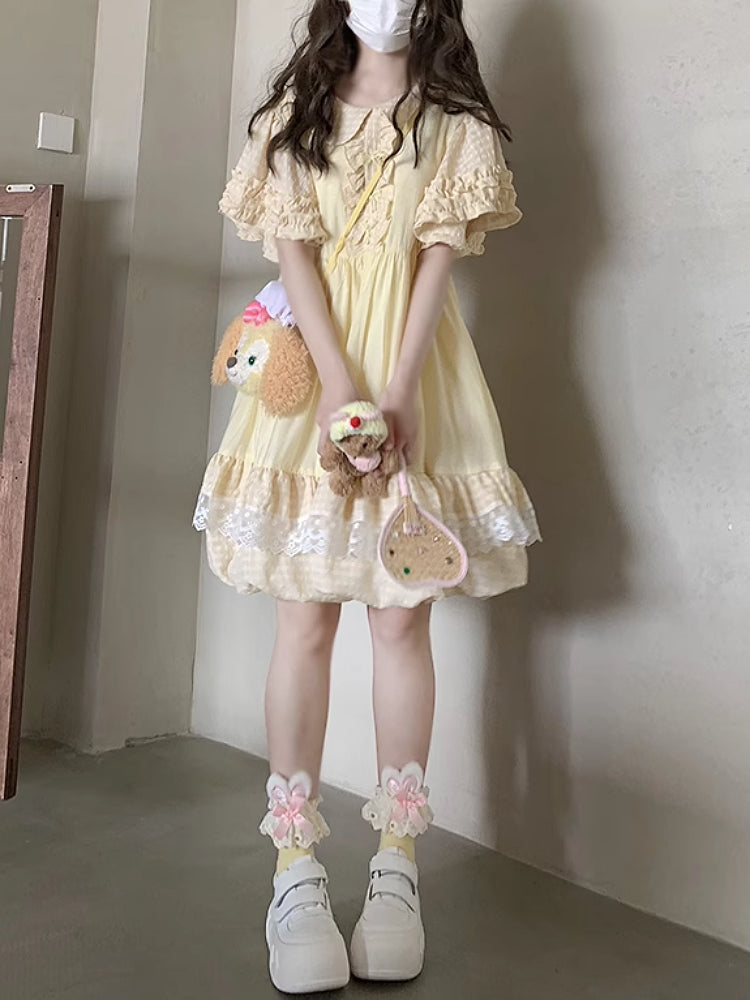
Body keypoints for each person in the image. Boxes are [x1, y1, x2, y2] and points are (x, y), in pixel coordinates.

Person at [193, 0, 540, 992]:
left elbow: (436, 262)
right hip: (318, 369)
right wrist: (339, 388)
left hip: (419, 372)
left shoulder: (454, 119)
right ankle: (295, 868)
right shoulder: (293, 112)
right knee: (304, 620)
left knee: (401, 620)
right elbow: (294, 255)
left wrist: (400, 391)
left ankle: (397, 866)